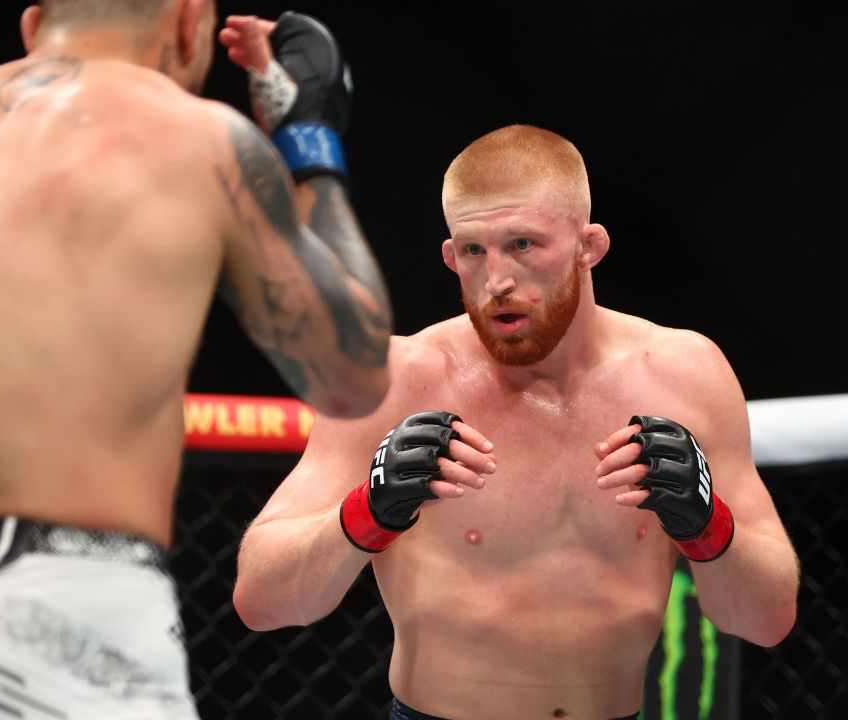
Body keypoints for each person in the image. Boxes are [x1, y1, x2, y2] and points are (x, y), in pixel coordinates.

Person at [0, 2, 389, 718]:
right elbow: (354, 376)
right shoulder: (195, 135)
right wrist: (307, 139)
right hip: (63, 622)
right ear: (190, 22)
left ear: (34, 23)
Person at [232, 118, 801, 717]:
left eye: (523, 245)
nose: (497, 280)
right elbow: (263, 602)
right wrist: (367, 511)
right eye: (475, 251)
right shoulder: (395, 380)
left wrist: (707, 524)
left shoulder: (686, 374)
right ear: (451, 256)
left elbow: (766, 619)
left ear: (590, 246)